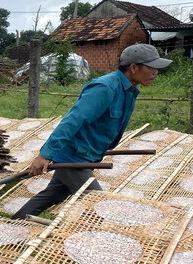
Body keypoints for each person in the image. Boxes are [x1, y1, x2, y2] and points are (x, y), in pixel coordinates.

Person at [11, 43, 172, 220]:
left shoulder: (128, 91)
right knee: (97, 205)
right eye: (152, 67)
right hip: (73, 157)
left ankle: (13, 225)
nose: (156, 72)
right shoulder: (105, 88)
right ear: (134, 67)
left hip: (87, 156)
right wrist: (45, 154)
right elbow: (73, 120)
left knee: (53, 194)